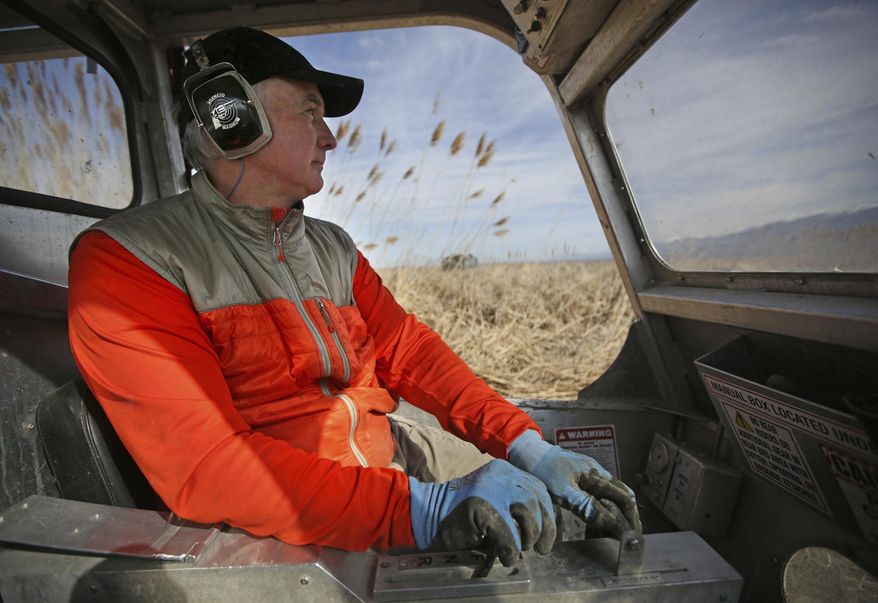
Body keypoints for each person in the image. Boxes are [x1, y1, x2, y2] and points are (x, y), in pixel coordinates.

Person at [67, 27, 639, 566]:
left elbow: (409, 352)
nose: (330, 138)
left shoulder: (331, 247)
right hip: (292, 523)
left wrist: (525, 445)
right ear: (230, 119)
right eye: (310, 110)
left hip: (391, 454)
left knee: (569, 527)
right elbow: (208, 467)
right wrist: (422, 509)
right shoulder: (131, 259)